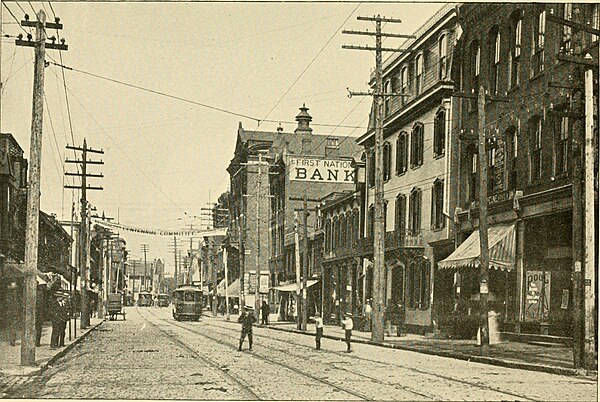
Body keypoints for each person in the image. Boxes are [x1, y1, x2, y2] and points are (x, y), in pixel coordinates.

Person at [6, 281, 20, 346]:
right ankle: (12, 340)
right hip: (13, 312)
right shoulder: (14, 296)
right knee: (13, 327)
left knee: (12, 327)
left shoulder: (9, 296)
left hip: (11, 312)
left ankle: (12, 340)